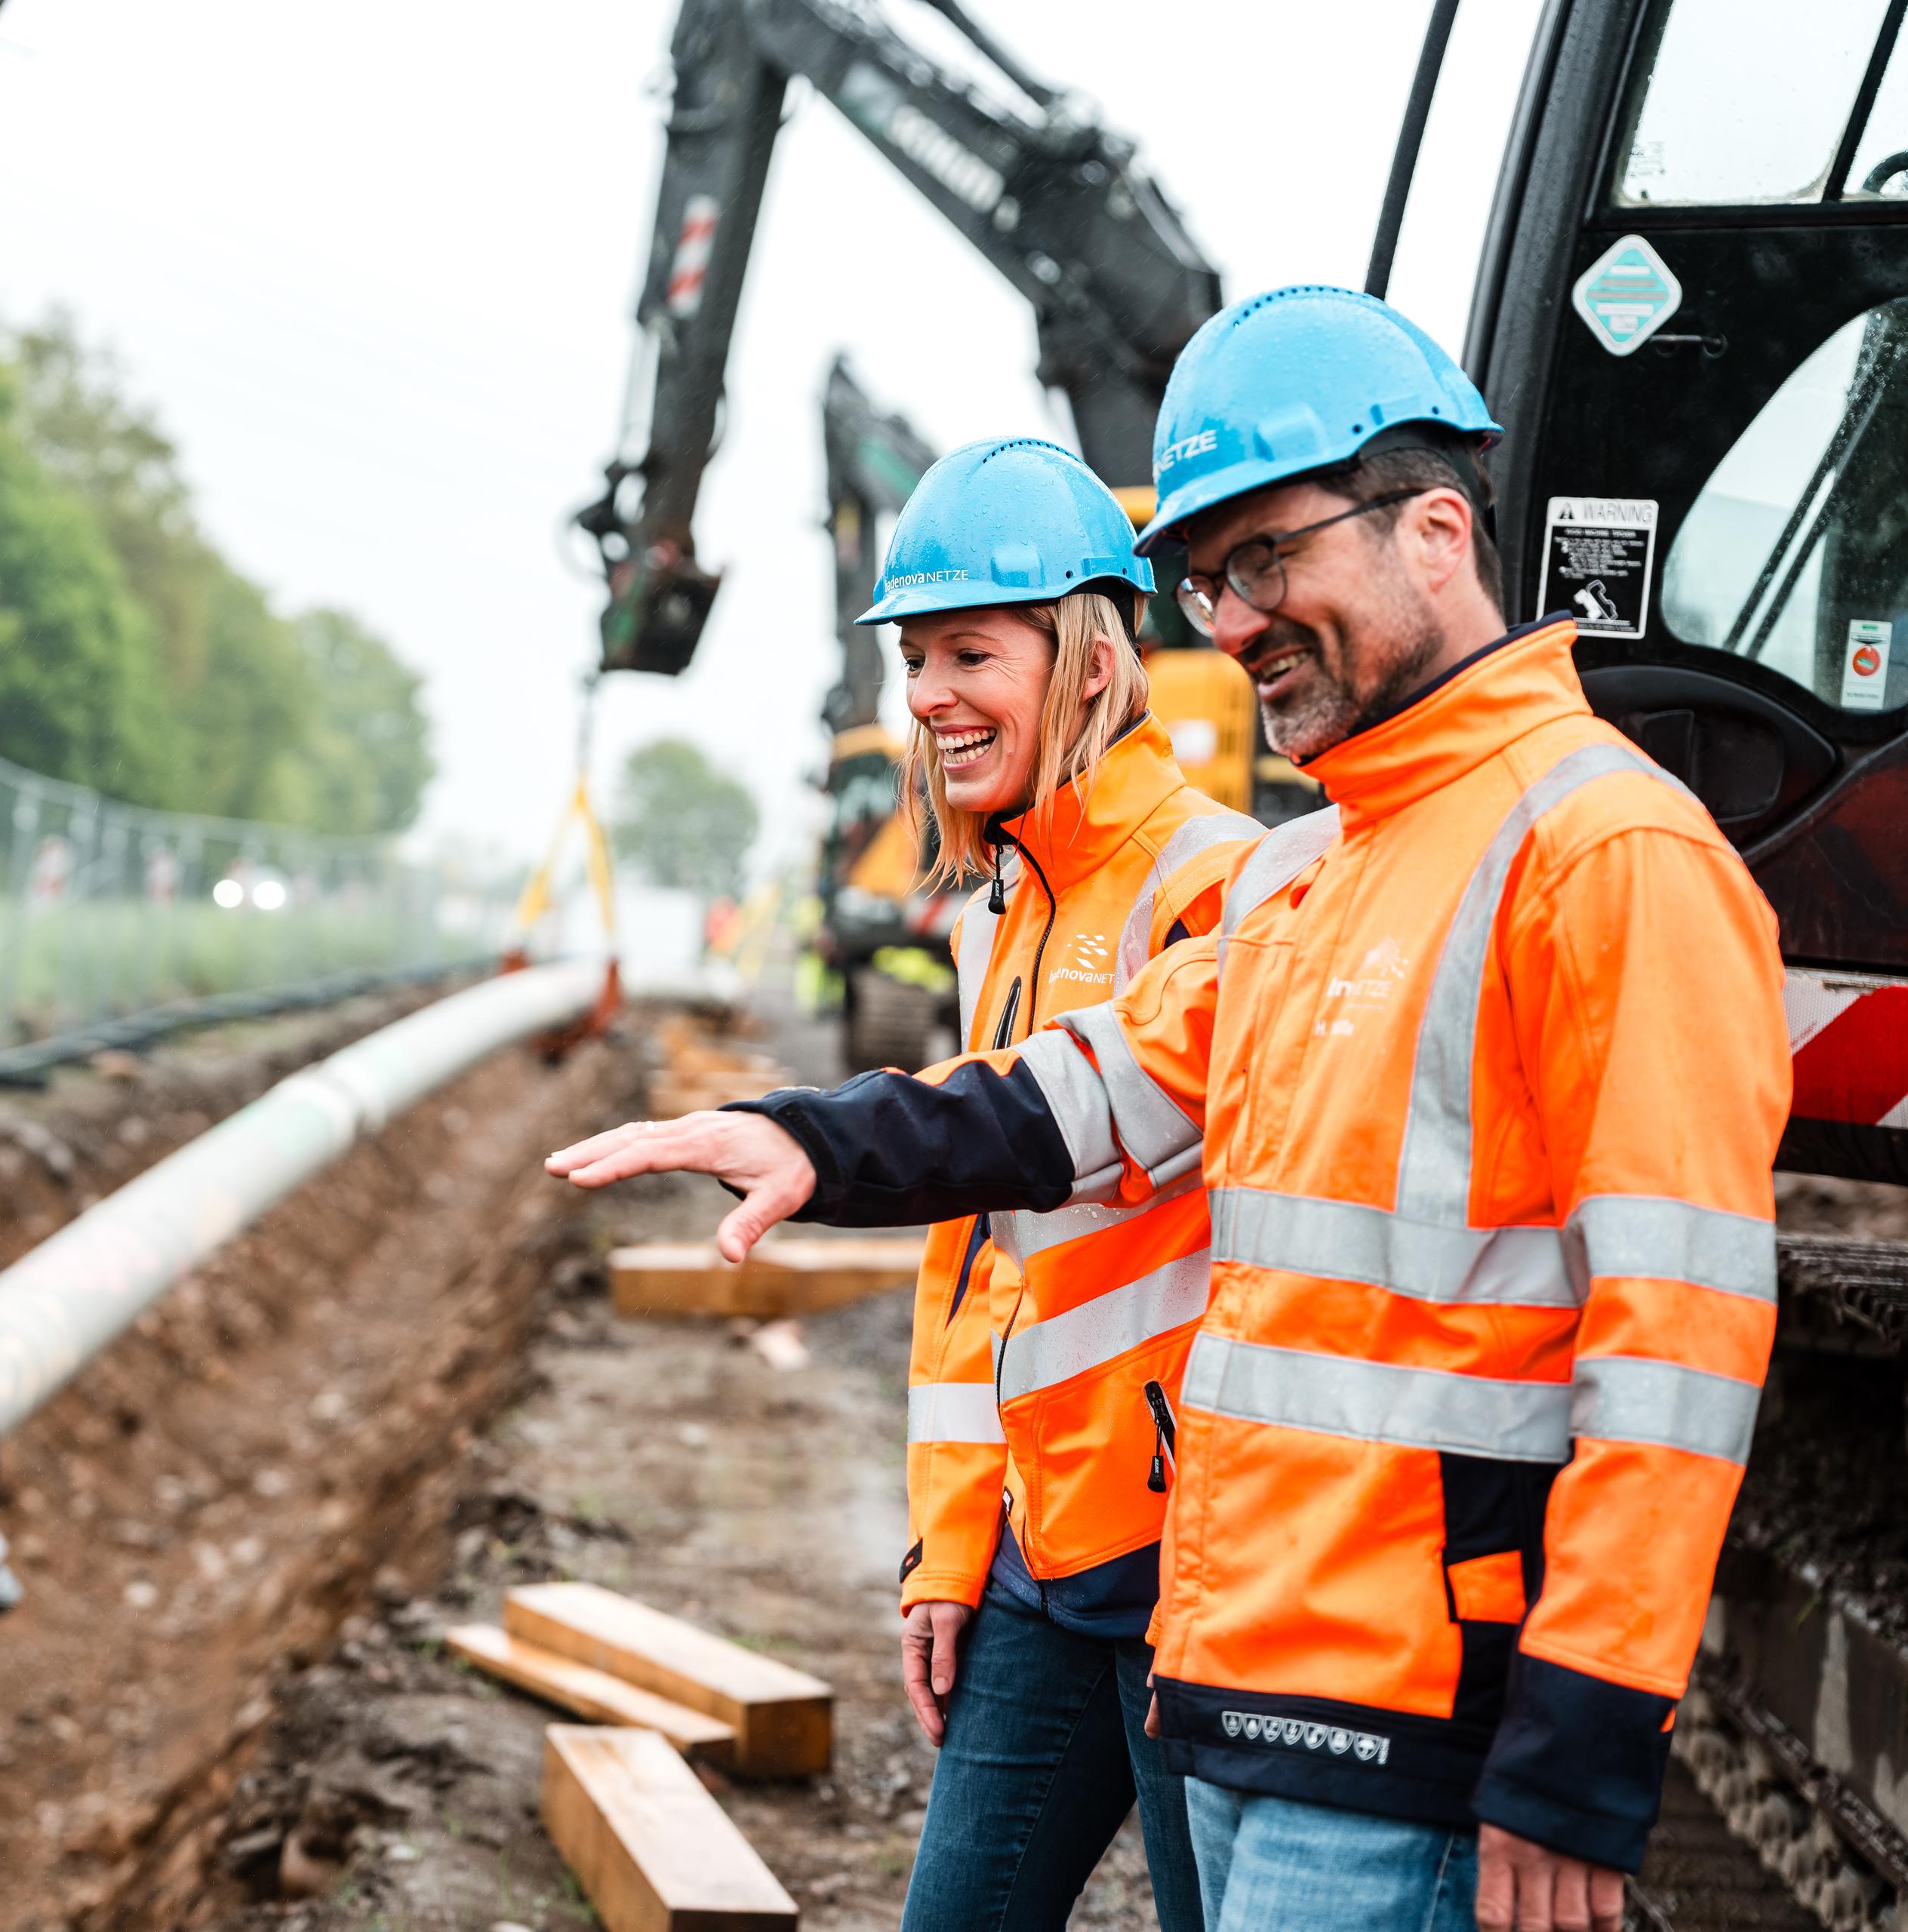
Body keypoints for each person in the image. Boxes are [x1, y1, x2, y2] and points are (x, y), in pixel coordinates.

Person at [549, 288, 1789, 1932]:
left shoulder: (1608, 854)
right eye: (1208, 578)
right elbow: (1079, 1092)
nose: (1234, 617)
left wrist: (1581, 1738)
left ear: (1435, 530)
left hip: (1415, 1731)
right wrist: (815, 1138)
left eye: (1267, 560)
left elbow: (1681, 1340)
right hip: (1233, 1672)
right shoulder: (1308, 874)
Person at [820, 436, 1254, 1932]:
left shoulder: (1216, 886)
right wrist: (951, 1539)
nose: (929, 690)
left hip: (1197, 1570)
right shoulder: (998, 907)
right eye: (915, 655)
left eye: (971, 649)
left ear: (1083, 659)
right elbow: (974, 1264)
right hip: (1038, 1554)